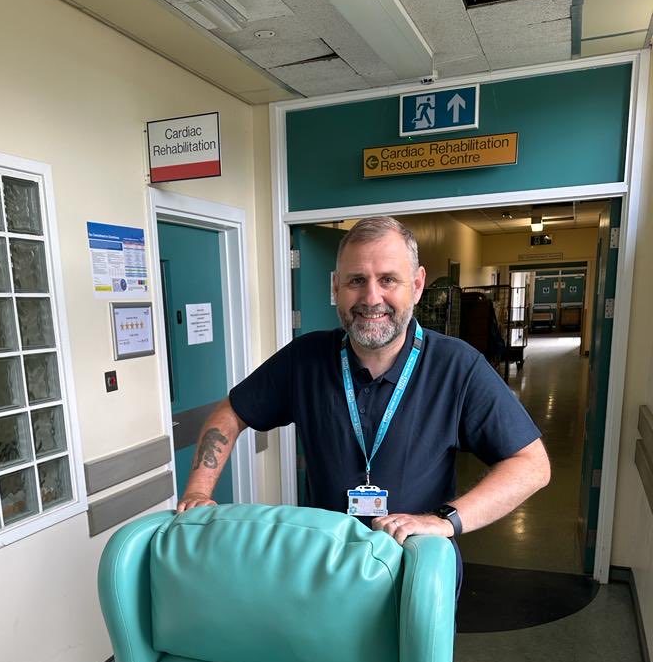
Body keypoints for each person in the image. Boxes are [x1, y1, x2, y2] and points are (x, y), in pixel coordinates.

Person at [176, 216, 550, 560]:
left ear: (417, 285)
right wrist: (197, 492)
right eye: (357, 280)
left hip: (414, 571)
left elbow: (532, 466)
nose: (371, 298)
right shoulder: (305, 358)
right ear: (336, 287)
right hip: (325, 570)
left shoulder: (458, 367)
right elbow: (231, 413)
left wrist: (445, 520)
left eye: (388, 279)